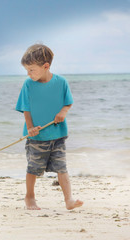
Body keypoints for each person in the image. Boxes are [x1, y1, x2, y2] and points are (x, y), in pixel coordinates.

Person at [15, 43, 83, 210]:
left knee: (62, 167)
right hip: (36, 136)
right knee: (33, 168)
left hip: (58, 135)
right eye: (27, 70)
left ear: (46, 66)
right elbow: (25, 108)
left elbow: (68, 103)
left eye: (31, 69)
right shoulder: (28, 85)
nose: (28, 74)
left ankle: (69, 200)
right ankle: (29, 197)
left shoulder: (61, 82)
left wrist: (63, 113)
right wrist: (30, 128)